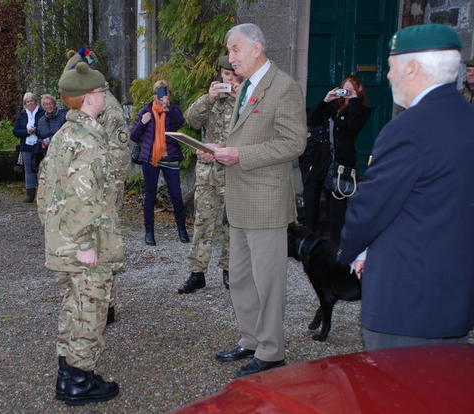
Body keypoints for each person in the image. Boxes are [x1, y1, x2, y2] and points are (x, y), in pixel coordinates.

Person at [338, 24, 474, 350]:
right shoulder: (467, 118)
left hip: (406, 300)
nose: (387, 75)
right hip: (456, 297)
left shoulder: (408, 129)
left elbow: (371, 206)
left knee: (395, 395)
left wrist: (351, 249)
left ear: (412, 67)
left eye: (391, 65)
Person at [201, 23, 306, 377]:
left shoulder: (285, 87)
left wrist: (240, 155)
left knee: (268, 281)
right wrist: (216, 151)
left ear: (257, 48)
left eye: (235, 49)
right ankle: (250, 340)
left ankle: (272, 350)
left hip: (267, 201)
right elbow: (241, 138)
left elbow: (294, 144)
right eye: (229, 50)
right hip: (240, 199)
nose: (230, 57)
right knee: (242, 278)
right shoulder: (245, 86)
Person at [37, 62, 120, 405]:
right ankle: (79, 382)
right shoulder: (87, 139)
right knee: (90, 307)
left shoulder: (62, 135)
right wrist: (85, 243)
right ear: (88, 98)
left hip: (62, 241)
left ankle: (67, 372)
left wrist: (54, 231)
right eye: (102, 92)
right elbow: (85, 197)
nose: (105, 97)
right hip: (83, 243)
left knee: (72, 305)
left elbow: (45, 191)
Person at [52, 47, 131, 324]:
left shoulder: (107, 107)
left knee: (102, 250)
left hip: (103, 192)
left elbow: (119, 155)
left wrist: (108, 198)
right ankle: (93, 302)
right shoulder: (82, 111)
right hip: (89, 190)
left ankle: (106, 303)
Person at [177, 56, 242, 294]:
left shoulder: (247, 100)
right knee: (202, 224)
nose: (230, 80)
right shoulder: (211, 99)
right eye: (226, 75)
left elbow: (256, 128)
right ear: (220, 75)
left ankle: (229, 270)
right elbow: (191, 120)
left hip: (234, 174)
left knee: (232, 225)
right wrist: (209, 97)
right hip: (208, 173)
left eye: (234, 75)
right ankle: (197, 273)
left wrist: (238, 99)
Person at [303, 75, 371, 244]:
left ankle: (336, 246)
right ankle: (310, 243)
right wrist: (326, 100)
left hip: (342, 165)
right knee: (311, 204)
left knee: (337, 210)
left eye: (350, 90)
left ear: (358, 91)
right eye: (344, 89)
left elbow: (353, 126)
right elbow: (312, 120)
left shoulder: (361, 110)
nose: (345, 93)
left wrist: (353, 100)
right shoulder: (332, 107)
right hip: (321, 162)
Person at [130, 80, 189, 246]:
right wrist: (143, 123)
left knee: (176, 194)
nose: (161, 96)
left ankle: (182, 229)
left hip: (170, 157)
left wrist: (168, 109)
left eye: (165, 92)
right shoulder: (145, 111)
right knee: (150, 195)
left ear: (169, 94)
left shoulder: (172, 110)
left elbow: (180, 122)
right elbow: (134, 136)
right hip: (151, 158)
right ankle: (149, 232)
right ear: (153, 94)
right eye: (158, 92)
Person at [13, 92, 45, 203]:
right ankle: (30, 195)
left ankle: (42, 194)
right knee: (28, 170)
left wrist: (37, 131)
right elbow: (16, 131)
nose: (30, 103)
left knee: (41, 170)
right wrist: (27, 132)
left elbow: (45, 128)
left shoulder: (42, 113)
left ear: (35, 102)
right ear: (25, 104)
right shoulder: (21, 115)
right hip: (26, 146)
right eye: (27, 101)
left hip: (40, 146)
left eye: (31, 100)